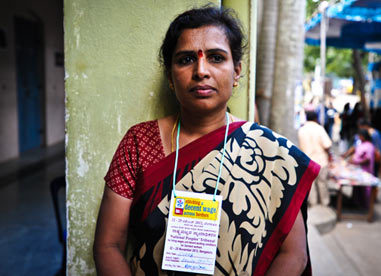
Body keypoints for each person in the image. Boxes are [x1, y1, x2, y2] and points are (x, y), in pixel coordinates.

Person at [93, 6, 319, 276]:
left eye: (215, 57)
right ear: (169, 76)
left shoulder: (271, 153)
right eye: (186, 59)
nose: (201, 70)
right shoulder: (139, 143)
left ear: (236, 72)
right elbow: (108, 245)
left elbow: (294, 255)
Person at [298, 111, 332, 206]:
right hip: (321, 161)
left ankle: (313, 204)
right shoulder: (319, 129)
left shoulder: (302, 130)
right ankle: (325, 204)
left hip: (308, 162)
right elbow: (327, 144)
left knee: (310, 185)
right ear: (315, 118)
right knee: (322, 183)